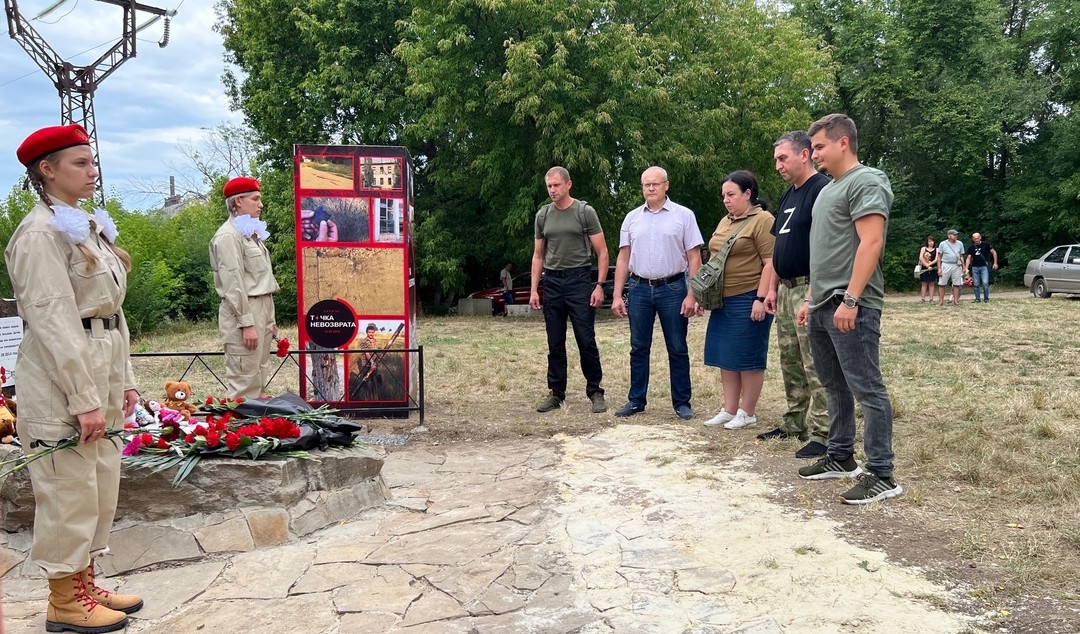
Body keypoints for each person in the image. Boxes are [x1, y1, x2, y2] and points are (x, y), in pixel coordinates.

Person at [7, 124, 142, 632]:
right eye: (80, 163)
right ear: (47, 169)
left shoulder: (83, 226)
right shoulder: (40, 233)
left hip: (101, 359)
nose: (93, 171)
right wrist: (84, 399)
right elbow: (54, 320)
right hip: (63, 372)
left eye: (92, 161)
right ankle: (64, 600)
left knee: (98, 480)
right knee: (68, 486)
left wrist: (124, 380)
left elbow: (111, 312)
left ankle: (83, 582)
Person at [796, 113, 902, 504]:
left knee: (867, 387)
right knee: (833, 385)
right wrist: (810, 298)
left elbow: (871, 242)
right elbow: (823, 252)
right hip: (823, 304)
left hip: (851, 304)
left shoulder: (867, 181)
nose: (815, 154)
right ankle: (840, 456)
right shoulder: (828, 190)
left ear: (843, 143)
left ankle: (882, 474)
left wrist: (852, 299)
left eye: (820, 146)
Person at [610, 166, 703, 420]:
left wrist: (693, 294)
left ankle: (682, 402)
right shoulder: (632, 218)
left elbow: (694, 256)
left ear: (666, 186)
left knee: (677, 346)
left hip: (674, 288)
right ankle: (636, 400)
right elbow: (623, 257)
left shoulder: (683, 216)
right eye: (646, 185)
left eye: (655, 184)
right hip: (639, 288)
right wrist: (618, 294)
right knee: (638, 347)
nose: (650, 188)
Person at [758, 132, 831, 458]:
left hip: (809, 288)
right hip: (785, 289)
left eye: (782, 158)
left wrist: (810, 296)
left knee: (815, 361)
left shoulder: (822, 191)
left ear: (805, 155)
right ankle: (794, 421)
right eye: (776, 159)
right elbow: (777, 250)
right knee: (790, 361)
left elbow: (826, 250)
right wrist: (771, 288)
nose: (777, 165)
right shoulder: (789, 195)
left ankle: (824, 431)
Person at [530, 167, 609, 414]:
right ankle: (556, 393)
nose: (552, 190)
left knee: (586, 339)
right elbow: (538, 255)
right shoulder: (543, 215)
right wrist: (534, 289)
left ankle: (595, 391)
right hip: (552, 282)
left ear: (568, 185)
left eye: (556, 185)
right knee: (555, 341)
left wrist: (599, 286)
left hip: (579, 280)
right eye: (549, 186)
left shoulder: (584, 212)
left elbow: (603, 252)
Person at [701, 171, 776, 430]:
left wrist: (760, 298)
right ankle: (730, 408)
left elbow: (770, 263)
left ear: (748, 194)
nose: (726, 200)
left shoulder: (763, 220)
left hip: (749, 296)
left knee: (748, 355)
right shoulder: (726, 221)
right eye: (724, 195)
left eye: (731, 194)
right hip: (723, 298)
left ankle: (748, 412)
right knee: (726, 355)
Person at [210, 177, 281, 399]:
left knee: (259, 377)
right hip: (244, 310)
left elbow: (259, 279)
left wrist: (269, 321)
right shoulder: (228, 236)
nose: (260, 204)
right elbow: (233, 283)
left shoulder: (249, 233)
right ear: (238, 201)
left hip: (261, 307)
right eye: (255, 199)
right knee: (244, 381)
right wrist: (246, 323)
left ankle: (259, 429)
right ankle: (239, 431)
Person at [965, 232, 998, 303]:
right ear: (973, 239)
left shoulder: (986, 245)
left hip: (984, 267)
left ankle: (986, 298)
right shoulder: (971, 247)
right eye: (975, 238)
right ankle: (977, 298)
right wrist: (966, 268)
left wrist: (995, 263)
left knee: (985, 283)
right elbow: (968, 258)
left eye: (977, 238)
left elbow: (994, 252)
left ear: (980, 237)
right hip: (975, 267)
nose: (976, 240)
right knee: (976, 283)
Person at [936, 229, 965, 306]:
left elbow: (961, 256)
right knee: (942, 283)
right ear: (949, 236)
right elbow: (939, 257)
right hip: (946, 264)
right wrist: (939, 268)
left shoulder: (960, 244)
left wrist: (963, 266)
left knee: (956, 284)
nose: (956, 236)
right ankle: (940, 301)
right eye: (954, 234)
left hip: (956, 265)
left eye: (956, 235)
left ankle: (956, 301)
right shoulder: (943, 244)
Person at [918, 235, 940, 301]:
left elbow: (936, 259)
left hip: (933, 268)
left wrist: (930, 265)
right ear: (927, 242)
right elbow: (921, 257)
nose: (931, 243)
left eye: (932, 241)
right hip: (924, 268)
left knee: (932, 284)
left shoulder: (937, 249)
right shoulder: (923, 248)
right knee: (924, 283)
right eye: (929, 241)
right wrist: (926, 265)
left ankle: (931, 299)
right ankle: (923, 298)